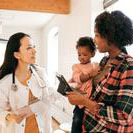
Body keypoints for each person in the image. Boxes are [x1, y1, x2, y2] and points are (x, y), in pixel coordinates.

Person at [67, 10, 133, 132]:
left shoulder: (128, 66)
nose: (94, 40)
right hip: (89, 126)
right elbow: (97, 94)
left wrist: (83, 101)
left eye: (97, 35)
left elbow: (124, 116)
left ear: (110, 37)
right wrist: (77, 91)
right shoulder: (104, 61)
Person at [0, 32, 61, 133]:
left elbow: (50, 95)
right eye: (29, 48)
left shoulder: (40, 73)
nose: (34, 51)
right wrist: (10, 116)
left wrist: (67, 89)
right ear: (17, 54)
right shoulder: (5, 83)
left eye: (34, 47)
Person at [69, 37, 99, 133]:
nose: (81, 57)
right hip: (81, 100)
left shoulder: (95, 65)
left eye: (84, 54)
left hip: (92, 100)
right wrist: (90, 75)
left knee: (89, 123)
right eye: (79, 54)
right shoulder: (76, 67)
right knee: (77, 120)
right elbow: (79, 78)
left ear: (93, 53)